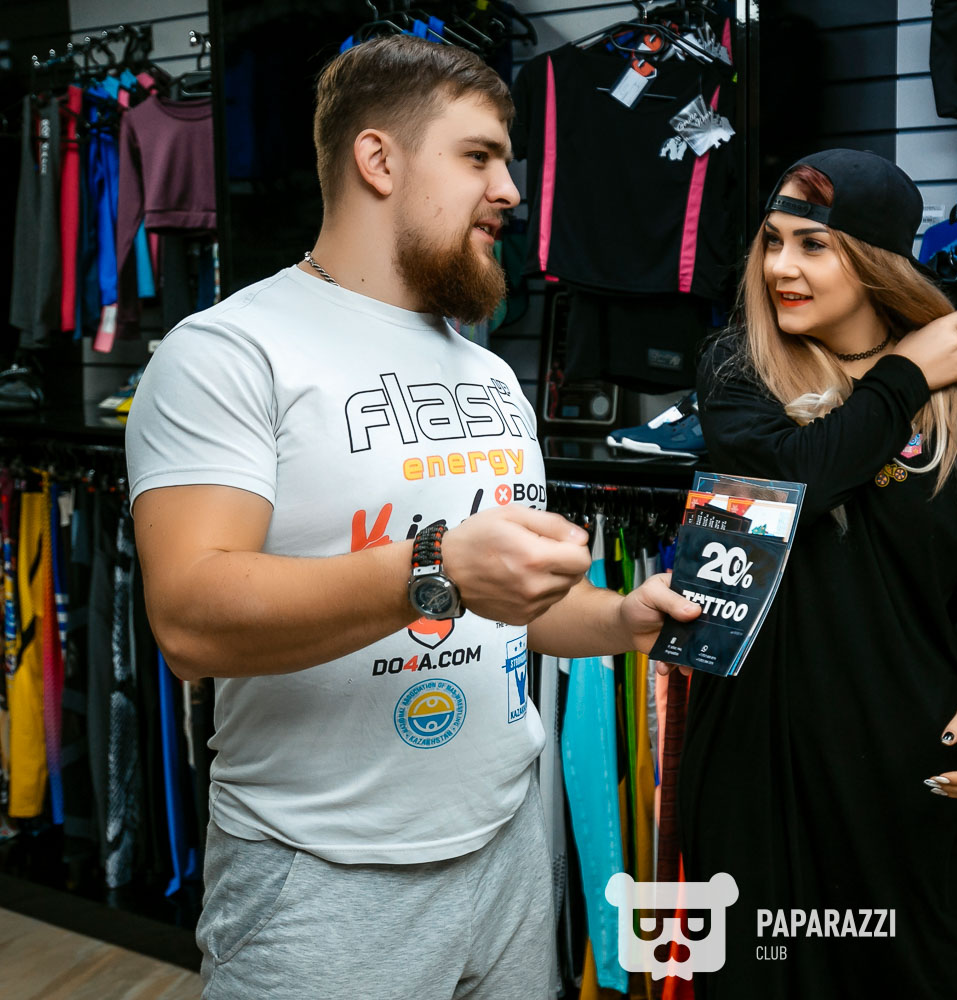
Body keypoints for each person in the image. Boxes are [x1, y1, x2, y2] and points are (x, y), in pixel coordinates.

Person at [125, 36, 699, 999]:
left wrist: (620, 618)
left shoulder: (491, 376)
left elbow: (506, 603)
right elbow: (188, 618)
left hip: (511, 844)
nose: (510, 191)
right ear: (378, 159)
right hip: (323, 878)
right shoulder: (229, 351)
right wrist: (436, 566)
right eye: (478, 157)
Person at [675, 149, 957, 998]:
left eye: (813, 245)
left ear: (875, 261)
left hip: (906, 762)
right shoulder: (739, 372)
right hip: (761, 772)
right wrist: (905, 376)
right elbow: (797, 479)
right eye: (771, 242)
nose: (780, 268)